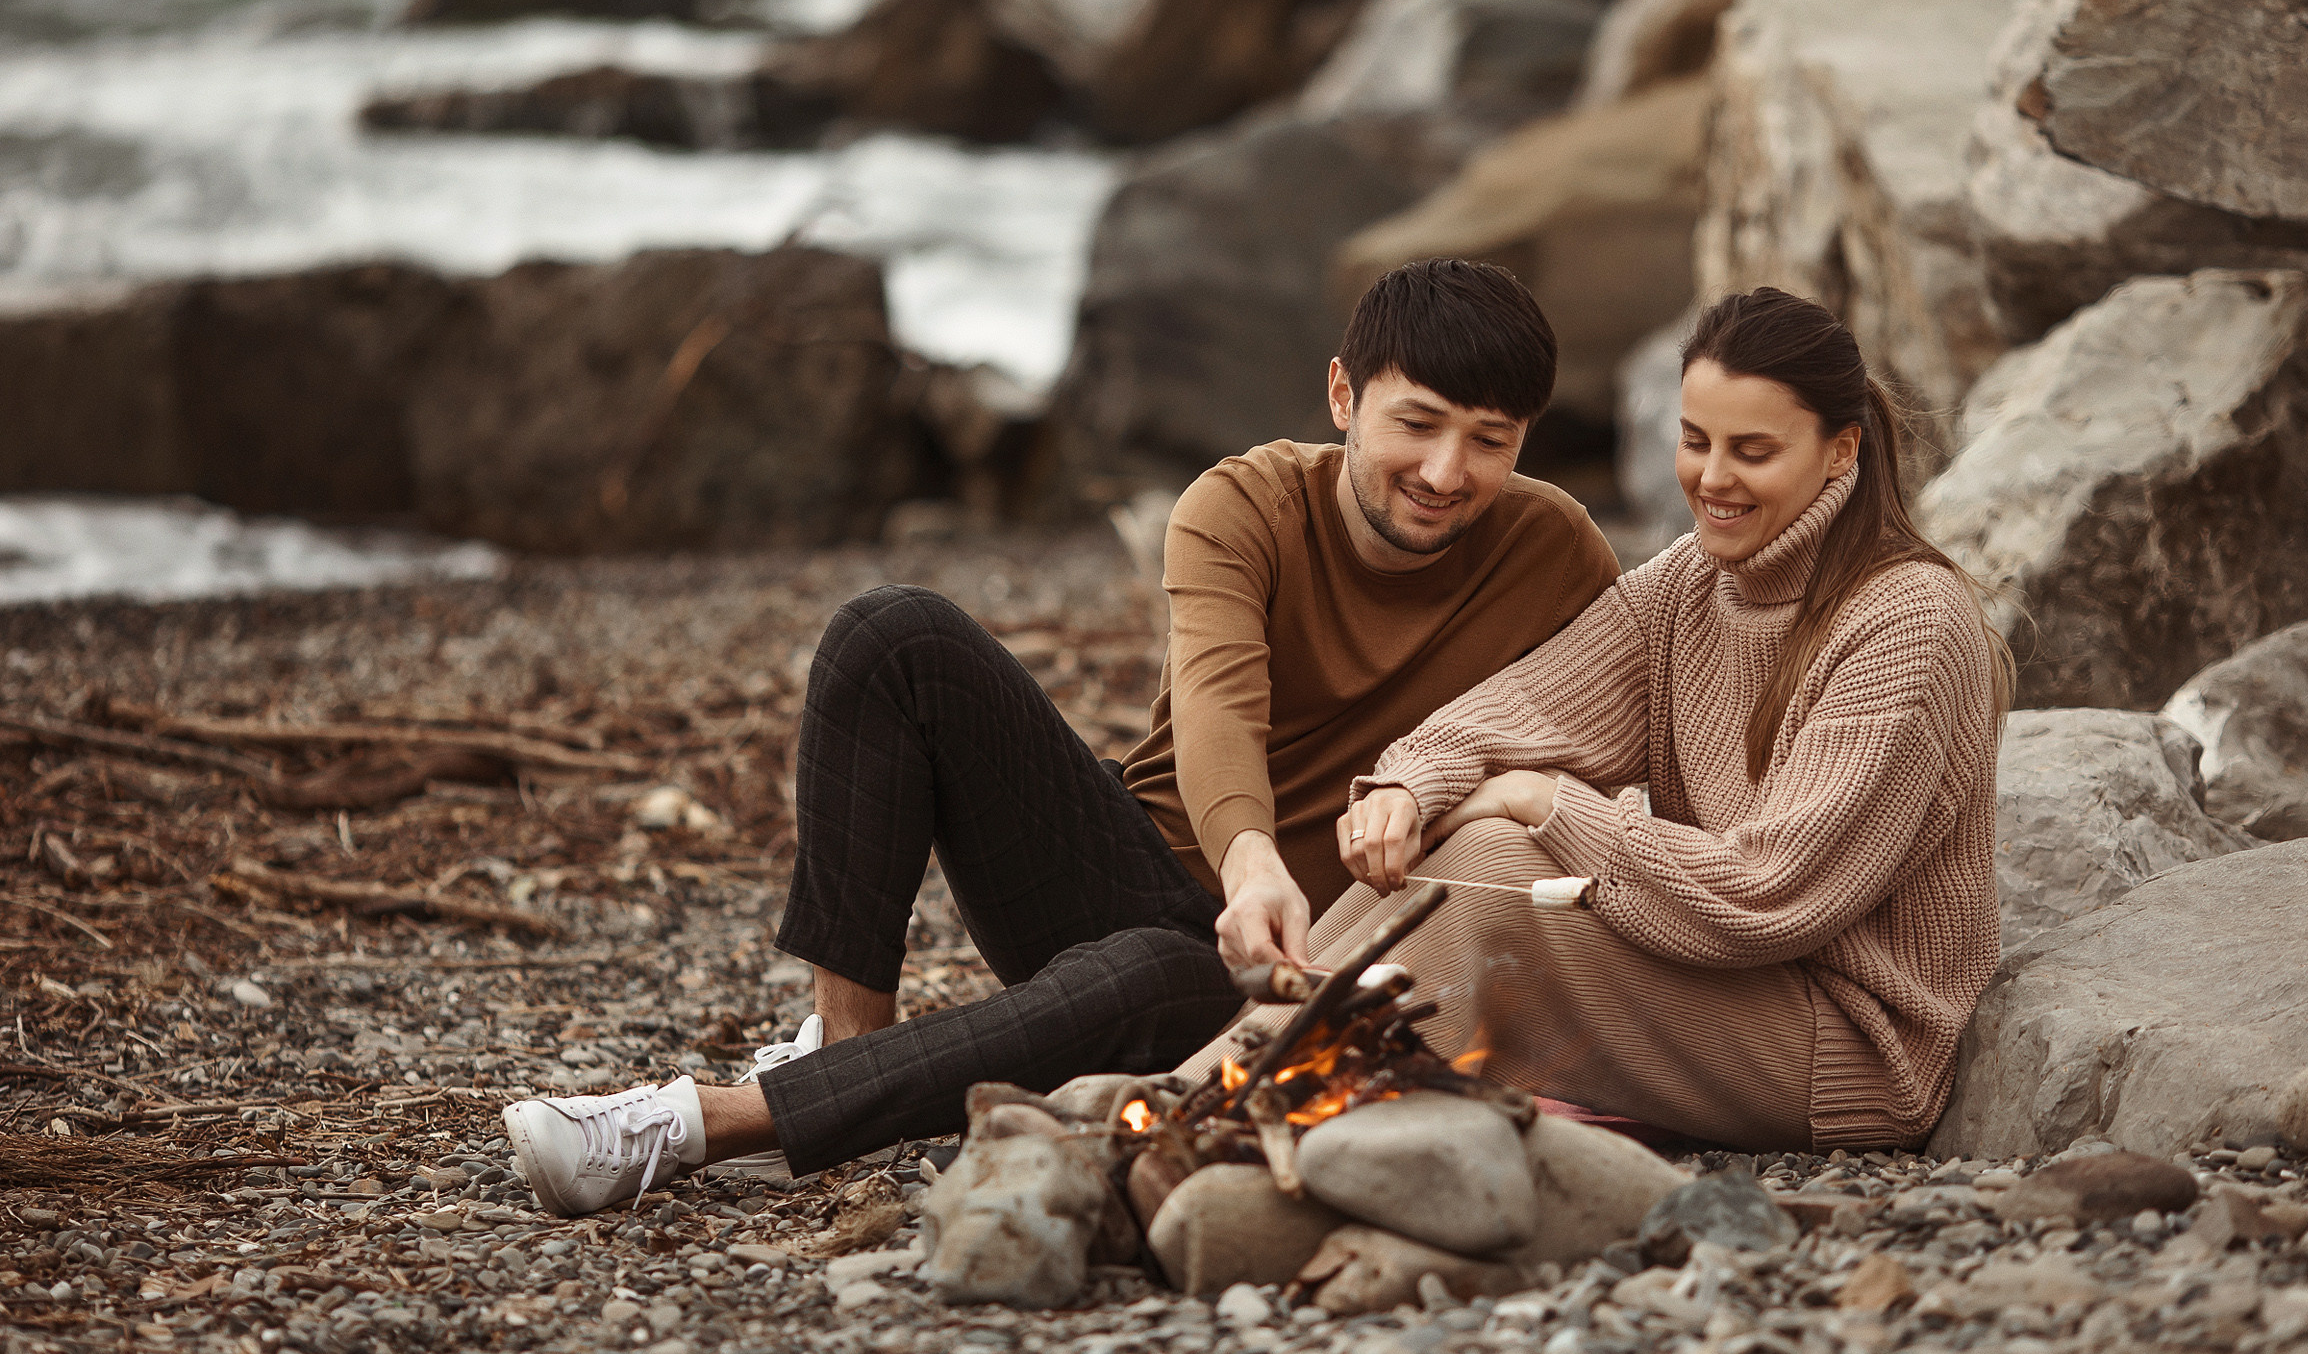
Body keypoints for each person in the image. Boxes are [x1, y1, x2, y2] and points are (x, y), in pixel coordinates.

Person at [504, 259, 1622, 1214]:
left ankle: (704, 1123)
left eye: (1490, 440)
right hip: (1141, 868)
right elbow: (1218, 699)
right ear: (1344, 394)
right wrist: (1248, 858)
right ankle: (850, 1055)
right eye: (1416, 424)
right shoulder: (1241, 507)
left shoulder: (1555, 551)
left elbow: (1616, 726)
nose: (1445, 473)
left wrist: (1477, 805)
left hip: (1307, 971)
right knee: (893, 636)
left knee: (1148, 979)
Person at [1183, 286, 2013, 1152]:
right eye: (1696, 442)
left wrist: (1544, 801)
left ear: (1840, 451)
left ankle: (1203, 1108)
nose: (1713, 479)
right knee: (1461, 847)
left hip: (1844, 1042)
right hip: (1718, 978)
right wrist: (1410, 786)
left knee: (1496, 892)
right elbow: (1523, 708)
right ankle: (1208, 1094)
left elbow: (1769, 896)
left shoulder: (1907, 620)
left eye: (1754, 451)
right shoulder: (1694, 581)